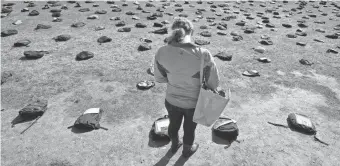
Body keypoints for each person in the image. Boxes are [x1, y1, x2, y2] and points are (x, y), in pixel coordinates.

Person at [153, 17, 220, 158]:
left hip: (171, 99)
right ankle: (187, 150)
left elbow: (159, 78)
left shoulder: (161, 52)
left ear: (173, 31)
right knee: (189, 129)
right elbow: (213, 83)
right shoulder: (203, 54)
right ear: (191, 32)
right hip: (193, 103)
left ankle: (174, 145)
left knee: (173, 125)